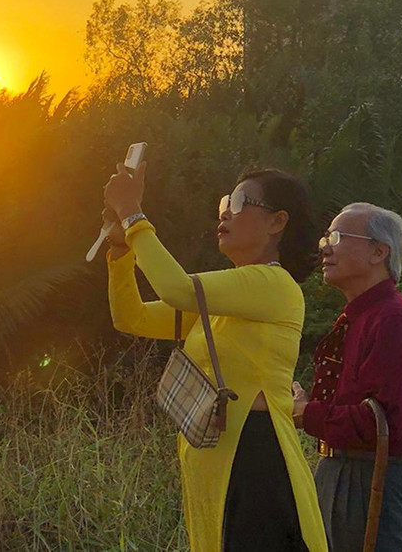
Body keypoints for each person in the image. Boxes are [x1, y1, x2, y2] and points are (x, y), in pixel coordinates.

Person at [103, 162, 327, 552]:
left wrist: (132, 214)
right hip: (220, 457)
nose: (225, 213)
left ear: (277, 222)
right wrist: (121, 251)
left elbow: (175, 288)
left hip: (255, 458)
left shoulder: (274, 284)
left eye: (239, 202)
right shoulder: (225, 300)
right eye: (225, 202)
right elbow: (132, 317)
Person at [292, 202, 402, 552]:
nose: (325, 248)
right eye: (326, 238)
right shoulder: (361, 316)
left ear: (378, 252)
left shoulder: (392, 321)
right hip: (340, 468)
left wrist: (306, 413)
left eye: (338, 237)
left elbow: (381, 423)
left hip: (369, 477)